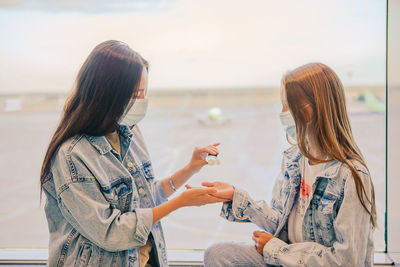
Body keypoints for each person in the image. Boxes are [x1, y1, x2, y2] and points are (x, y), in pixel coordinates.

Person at [40, 40, 227, 267]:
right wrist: (179, 203)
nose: (142, 101)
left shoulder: (128, 132)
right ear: (109, 95)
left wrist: (190, 169)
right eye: (135, 94)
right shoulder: (72, 156)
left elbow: (144, 197)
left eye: (143, 93)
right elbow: (109, 232)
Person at [202, 63, 376, 267]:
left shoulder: (351, 177)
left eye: (287, 105)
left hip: (292, 259)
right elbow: (280, 221)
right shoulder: (294, 160)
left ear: (313, 109)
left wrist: (275, 249)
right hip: (288, 260)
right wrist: (236, 196)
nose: (282, 112)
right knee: (218, 254)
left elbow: (347, 262)